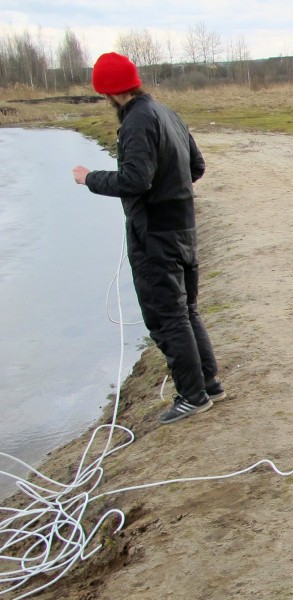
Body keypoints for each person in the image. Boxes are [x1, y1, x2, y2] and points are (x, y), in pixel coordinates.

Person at [72, 52, 225, 425]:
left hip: (156, 236)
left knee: (166, 317)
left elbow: (135, 180)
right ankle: (208, 384)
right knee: (185, 310)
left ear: (108, 93)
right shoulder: (166, 113)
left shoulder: (138, 121)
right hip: (183, 229)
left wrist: (89, 178)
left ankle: (193, 396)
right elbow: (196, 167)